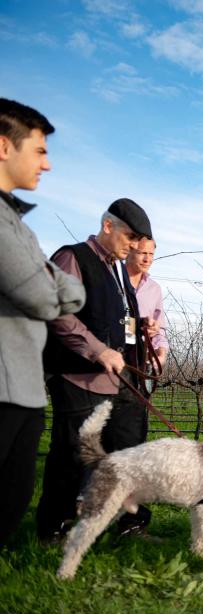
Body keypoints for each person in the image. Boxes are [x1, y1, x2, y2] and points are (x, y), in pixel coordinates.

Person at [37, 198, 155, 542]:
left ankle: (130, 524)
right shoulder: (72, 258)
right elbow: (59, 312)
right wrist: (98, 349)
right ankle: (53, 528)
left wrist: (138, 326)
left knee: (131, 450)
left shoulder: (116, 267)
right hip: (78, 376)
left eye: (138, 240)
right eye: (130, 237)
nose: (134, 246)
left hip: (119, 377)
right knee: (72, 454)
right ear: (108, 226)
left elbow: (114, 314)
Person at [0, 99, 85, 547]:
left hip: (23, 386)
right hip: (4, 386)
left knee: (12, 498)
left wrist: (48, 280)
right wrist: (50, 281)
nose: (47, 164)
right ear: (2, 146)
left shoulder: (18, 225)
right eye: (39, 151)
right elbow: (42, 293)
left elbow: (71, 293)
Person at [125, 238, 169, 370]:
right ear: (128, 251)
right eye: (142, 253)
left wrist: (162, 351)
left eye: (151, 254)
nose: (147, 259)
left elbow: (159, 329)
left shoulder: (154, 289)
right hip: (113, 360)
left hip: (143, 364)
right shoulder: (113, 280)